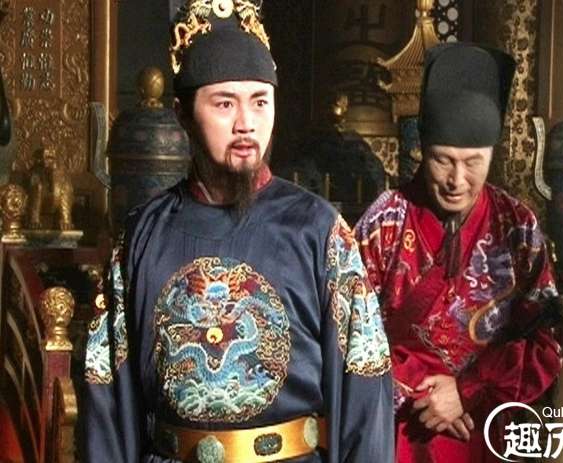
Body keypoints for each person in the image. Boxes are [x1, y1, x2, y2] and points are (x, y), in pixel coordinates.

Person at [83, 1, 394, 462]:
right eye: (224, 103)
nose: (246, 123)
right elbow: (106, 394)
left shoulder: (318, 230)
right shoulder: (142, 235)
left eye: (260, 102)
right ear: (183, 114)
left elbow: (365, 384)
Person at [355, 42, 562, 462]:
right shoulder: (384, 222)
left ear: (492, 154)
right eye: (442, 160)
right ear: (423, 150)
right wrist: (423, 390)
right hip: (398, 434)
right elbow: (346, 334)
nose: (456, 179)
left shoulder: (516, 226)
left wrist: (467, 389)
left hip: (487, 431)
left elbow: (548, 342)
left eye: (473, 162)